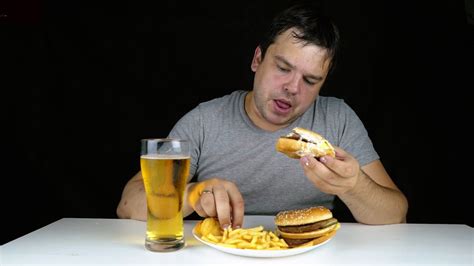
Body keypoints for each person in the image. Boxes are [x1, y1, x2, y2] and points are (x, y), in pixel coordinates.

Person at [116, 4, 408, 229]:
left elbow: (395, 213)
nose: (292, 88)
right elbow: (129, 203)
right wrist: (193, 194)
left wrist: (354, 184)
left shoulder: (338, 118)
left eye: (310, 81)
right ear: (257, 59)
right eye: (283, 68)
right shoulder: (205, 121)